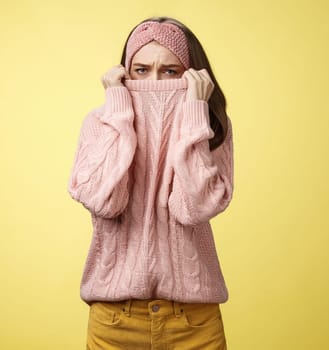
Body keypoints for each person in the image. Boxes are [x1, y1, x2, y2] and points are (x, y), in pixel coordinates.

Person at [68, 16, 233, 349]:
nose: (154, 81)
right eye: (141, 70)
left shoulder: (210, 124)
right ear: (124, 73)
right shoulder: (99, 122)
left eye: (170, 71)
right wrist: (119, 114)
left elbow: (194, 208)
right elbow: (105, 201)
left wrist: (195, 113)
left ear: (192, 75)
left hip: (194, 322)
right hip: (115, 321)